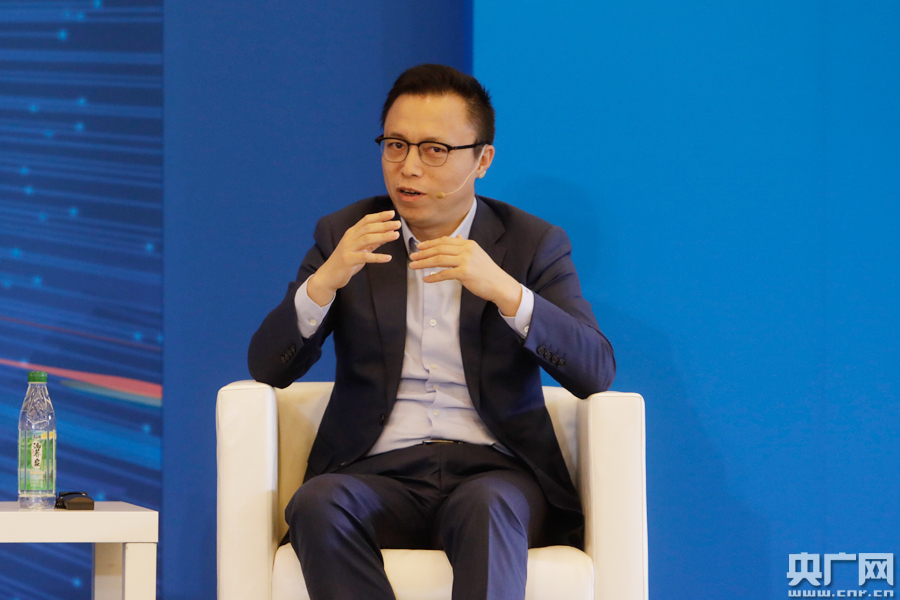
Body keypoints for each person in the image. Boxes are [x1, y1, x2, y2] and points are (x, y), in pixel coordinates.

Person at [248, 64, 615, 600]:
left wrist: (506, 291)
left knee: (486, 506)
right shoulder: (347, 234)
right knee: (317, 503)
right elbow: (267, 366)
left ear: (482, 160)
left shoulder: (532, 243)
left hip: (497, 474)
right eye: (395, 145)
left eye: (434, 150)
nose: (409, 167)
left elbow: (596, 371)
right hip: (377, 474)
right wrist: (325, 281)